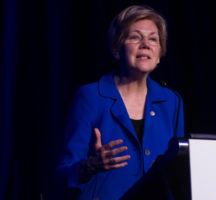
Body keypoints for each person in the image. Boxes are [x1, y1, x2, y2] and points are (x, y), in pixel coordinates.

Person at [57, 5, 184, 200]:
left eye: (153, 39)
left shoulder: (171, 101)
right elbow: (62, 175)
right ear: (116, 49)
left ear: (159, 55)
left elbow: (178, 169)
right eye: (135, 37)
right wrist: (90, 166)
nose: (145, 44)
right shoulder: (91, 96)